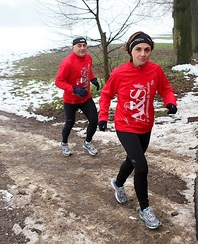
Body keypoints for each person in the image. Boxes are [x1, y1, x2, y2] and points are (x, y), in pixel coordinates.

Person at [98, 31, 177, 229]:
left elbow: (166, 88)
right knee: (141, 166)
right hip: (125, 125)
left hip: (145, 126)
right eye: (138, 49)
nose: (143, 54)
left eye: (147, 50)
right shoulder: (119, 73)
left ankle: (117, 182)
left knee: (132, 160)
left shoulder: (155, 70)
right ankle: (145, 209)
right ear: (131, 51)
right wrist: (102, 116)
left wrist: (170, 102)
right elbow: (106, 94)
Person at [55, 37, 100, 156]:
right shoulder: (67, 62)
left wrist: (93, 79)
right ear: (73, 47)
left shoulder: (88, 58)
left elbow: (87, 71)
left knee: (94, 120)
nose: (82, 48)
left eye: (84, 45)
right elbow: (58, 81)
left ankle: (88, 142)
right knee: (69, 123)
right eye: (79, 46)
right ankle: (64, 143)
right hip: (71, 99)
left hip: (85, 97)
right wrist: (74, 89)